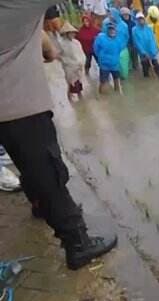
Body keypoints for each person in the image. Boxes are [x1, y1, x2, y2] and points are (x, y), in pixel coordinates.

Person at [0, 0, 117, 270]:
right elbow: (51, 53)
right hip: (20, 108)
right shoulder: (16, 8)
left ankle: (39, 206)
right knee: (49, 174)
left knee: (27, 167)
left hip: (10, 114)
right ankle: (77, 243)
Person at [57, 22, 86, 101]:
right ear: (66, 33)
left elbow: (81, 53)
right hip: (69, 67)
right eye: (71, 33)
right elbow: (57, 55)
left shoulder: (76, 42)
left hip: (78, 66)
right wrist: (65, 62)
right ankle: (70, 98)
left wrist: (82, 62)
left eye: (74, 33)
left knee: (79, 82)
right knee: (70, 83)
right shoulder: (61, 43)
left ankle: (80, 97)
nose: (73, 34)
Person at [132, 12, 159, 78]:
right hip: (143, 53)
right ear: (137, 20)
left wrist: (154, 50)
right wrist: (143, 52)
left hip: (151, 51)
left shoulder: (149, 28)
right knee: (145, 68)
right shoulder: (134, 30)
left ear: (144, 19)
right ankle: (146, 79)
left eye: (142, 19)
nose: (140, 21)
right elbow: (136, 42)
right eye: (139, 19)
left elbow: (152, 40)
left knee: (157, 66)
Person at [94, 23, 124, 93]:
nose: (112, 31)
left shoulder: (118, 39)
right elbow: (96, 49)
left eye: (113, 29)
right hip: (104, 65)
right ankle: (102, 98)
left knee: (117, 80)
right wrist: (101, 58)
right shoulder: (101, 38)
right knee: (103, 82)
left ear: (116, 30)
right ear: (107, 30)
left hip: (115, 64)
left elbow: (120, 49)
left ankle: (117, 95)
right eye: (110, 29)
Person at [120, 7, 138, 71]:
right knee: (127, 59)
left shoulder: (133, 23)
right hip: (126, 45)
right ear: (121, 16)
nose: (126, 16)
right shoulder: (120, 25)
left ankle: (136, 70)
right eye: (124, 15)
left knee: (135, 59)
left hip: (134, 43)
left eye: (127, 14)